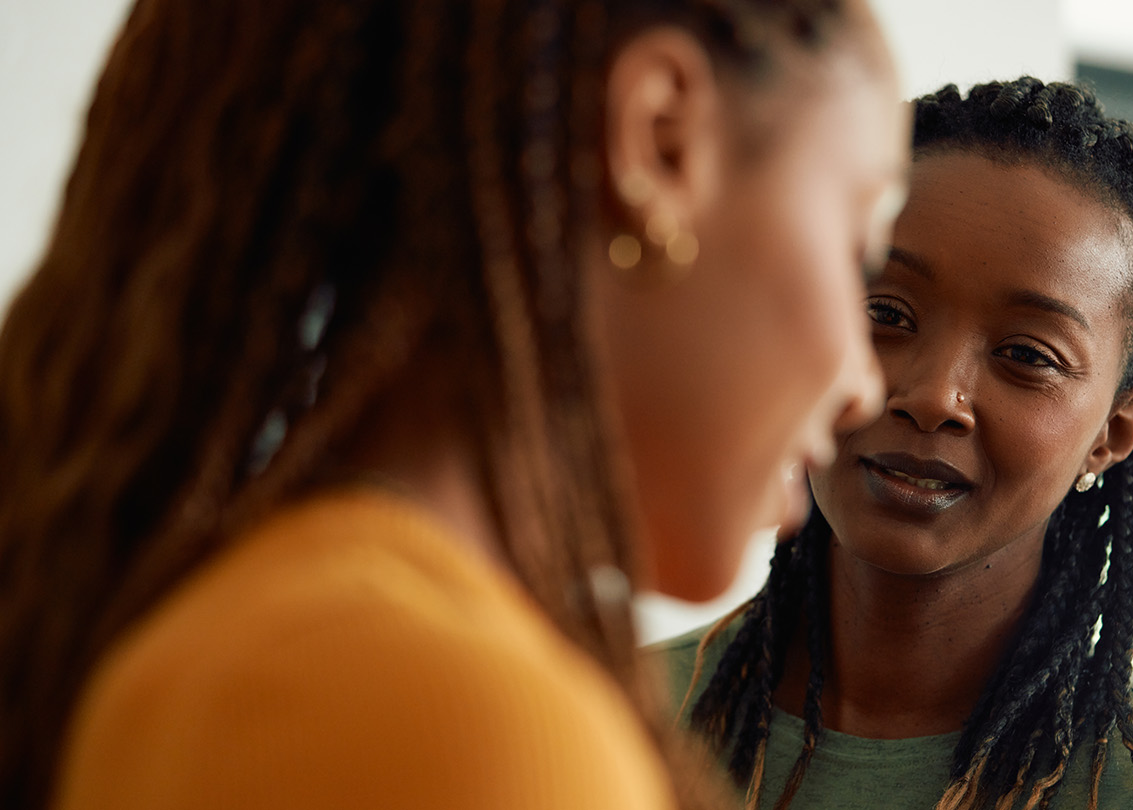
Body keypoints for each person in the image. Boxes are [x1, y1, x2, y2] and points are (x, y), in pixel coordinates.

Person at [0, 1, 910, 808]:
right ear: (658, 139)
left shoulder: (248, 632)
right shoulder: (458, 712)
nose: (865, 383)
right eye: (860, 254)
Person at [657, 78, 1133, 810]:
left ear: (1114, 434)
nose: (932, 396)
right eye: (883, 311)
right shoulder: (601, 709)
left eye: (1028, 355)